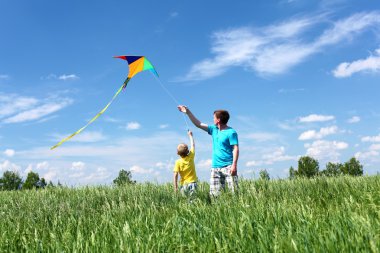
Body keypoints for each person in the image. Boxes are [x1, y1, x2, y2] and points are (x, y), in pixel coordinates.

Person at [177, 105, 239, 197]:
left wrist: (234, 165)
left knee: (234, 194)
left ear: (218, 120)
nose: (212, 119)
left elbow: (235, 148)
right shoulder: (214, 129)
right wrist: (188, 112)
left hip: (229, 166)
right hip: (215, 167)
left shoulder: (231, 132)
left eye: (214, 118)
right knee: (214, 196)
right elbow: (198, 124)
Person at [173, 130, 198, 197]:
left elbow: (175, 175)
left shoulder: (177, 162)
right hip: (192, 183)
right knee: (193, 201)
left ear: (177, 153)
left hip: (183, 185)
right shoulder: (191, 156)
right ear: (188, 151)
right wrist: (190, 136)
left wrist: (175, 187)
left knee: (184, 201)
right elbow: (193, 145)